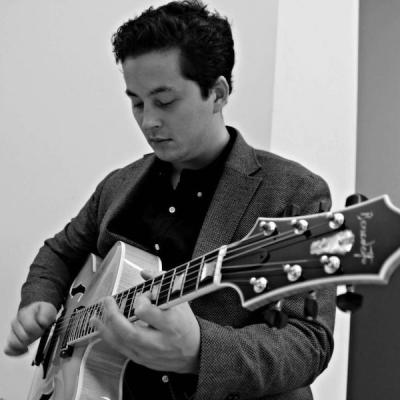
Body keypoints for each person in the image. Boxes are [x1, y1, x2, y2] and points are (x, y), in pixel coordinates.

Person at [4, 1, 336, 399]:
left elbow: (308, 342)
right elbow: (59, 252)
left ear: (217, 92)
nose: (147, 122)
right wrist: (39, 301)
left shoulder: (294, 192)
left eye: (164, 101)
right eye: (137, 102)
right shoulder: (119, 184)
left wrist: (199, 352)